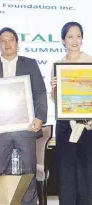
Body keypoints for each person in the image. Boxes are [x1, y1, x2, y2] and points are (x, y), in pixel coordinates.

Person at [0, 27, 48, 205]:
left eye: (11, 40)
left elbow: (40, 93)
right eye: (3, 40)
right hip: (0, 131)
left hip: (26, 129)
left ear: (17, 43)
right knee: (0, 175)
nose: (7, 44)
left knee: (28, 176)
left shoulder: (31, 64)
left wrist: (40, 118)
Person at [50, 21, 92, 205]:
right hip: (65, 126)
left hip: (87, 125)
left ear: (82, 39)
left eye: (78, 36)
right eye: (70, 36)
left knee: (86, 173)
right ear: (63, 40)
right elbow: (56, 99)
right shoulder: (57, 65)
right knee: (66, 172)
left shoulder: (90, 62)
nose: (75, 40)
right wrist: (54, 88)